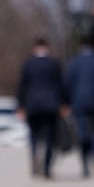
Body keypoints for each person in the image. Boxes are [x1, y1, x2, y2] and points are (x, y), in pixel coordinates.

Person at [16, 37, 66, 179]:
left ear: (34, 49)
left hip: (32, 105)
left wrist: (21, 106)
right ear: (47, 48)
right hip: (51, 105)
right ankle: (46, 167)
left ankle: (34, 157)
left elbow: (22, 86)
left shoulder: (28, 64)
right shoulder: (54, 63)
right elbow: (60, 85)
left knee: (33, 135)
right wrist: (64, 103)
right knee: (50, 137)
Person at [64, 38, 94, 177]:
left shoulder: (74, 63)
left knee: (82, 133)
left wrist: (66, 103)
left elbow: (68, 84)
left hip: (79, 102)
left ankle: (84, 163)